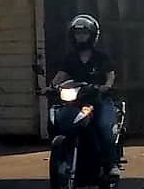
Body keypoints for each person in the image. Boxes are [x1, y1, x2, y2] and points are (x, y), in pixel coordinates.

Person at [50, 14, 119, 175]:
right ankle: (65, 155)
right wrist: (51, 87)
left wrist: (106, 86)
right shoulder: (70, 57)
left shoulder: (101, 56)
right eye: (77, 34)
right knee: (59, 120)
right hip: (77, 101)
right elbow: (61, 75)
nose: (80, 37)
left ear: (92, 35)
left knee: (103, 126)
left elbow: (110, 74)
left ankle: (110, 165)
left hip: (99, 100)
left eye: (84, 33)